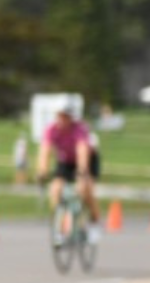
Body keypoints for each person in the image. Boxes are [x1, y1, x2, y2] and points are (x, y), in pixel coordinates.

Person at [36, 102, 101, 245]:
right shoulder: (51, 129)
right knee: (56, 189)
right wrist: (42, 171)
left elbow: (82, 150)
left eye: (64, 117)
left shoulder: (79, 129)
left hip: (87, 159)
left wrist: (82, 170)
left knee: (84, 189)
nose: (61, 120)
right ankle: (59, 227)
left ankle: (94, 222)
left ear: (71, 118)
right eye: (59, 116)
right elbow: (45, 151)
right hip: (65, 161)